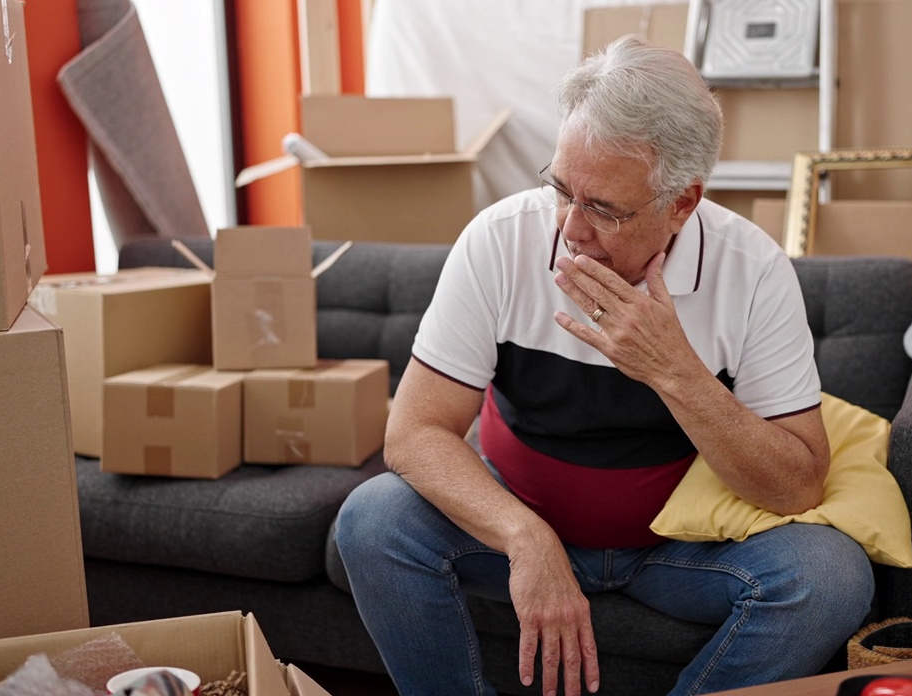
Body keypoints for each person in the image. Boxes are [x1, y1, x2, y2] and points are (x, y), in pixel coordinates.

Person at [335, 34, 874, 696]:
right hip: (517, 520)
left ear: (682, 202)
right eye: (563, 190)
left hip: (677, 551)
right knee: (371, 521)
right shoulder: (498, 241)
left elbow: (796, 488)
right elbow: (413, 434)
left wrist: (674, 371)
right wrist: (526, 538)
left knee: (832, 575)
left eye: (604, 210)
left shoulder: (754, 272)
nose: (570, 229)